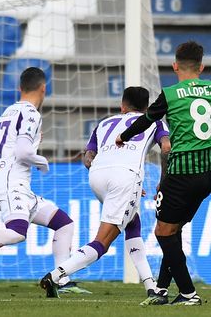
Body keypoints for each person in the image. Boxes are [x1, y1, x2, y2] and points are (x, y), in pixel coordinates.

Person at [0, 67, 86, 294]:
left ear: (20, 88)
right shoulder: (31, 114)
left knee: (64, 223)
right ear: (43, 88)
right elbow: (22, 152)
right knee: (17, 232)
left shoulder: (6, 113)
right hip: (13, 183)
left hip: (14, 183)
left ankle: (61, 279)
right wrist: (42, 161)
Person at [40, 87, 170, 298]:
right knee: (102, 242)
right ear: (147, 107)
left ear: (122, 105)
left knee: (133, 222)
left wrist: (122, 181)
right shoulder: (154, 121)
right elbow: (166, 147)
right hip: (125, 177)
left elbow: (88, 157)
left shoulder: (104, 123)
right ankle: (57, 275)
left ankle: (150, 286)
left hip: (97, 176)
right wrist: (159, 182)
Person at [116, 41, 211, 306]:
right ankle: (160, 289)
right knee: (174, 227)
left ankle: (189, 294)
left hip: (182, 173)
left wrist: (123, 136)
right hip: (208, 173)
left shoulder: (170, 93)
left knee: (163, 232)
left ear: (175, 66)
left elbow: (147, 119)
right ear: (202, 67)